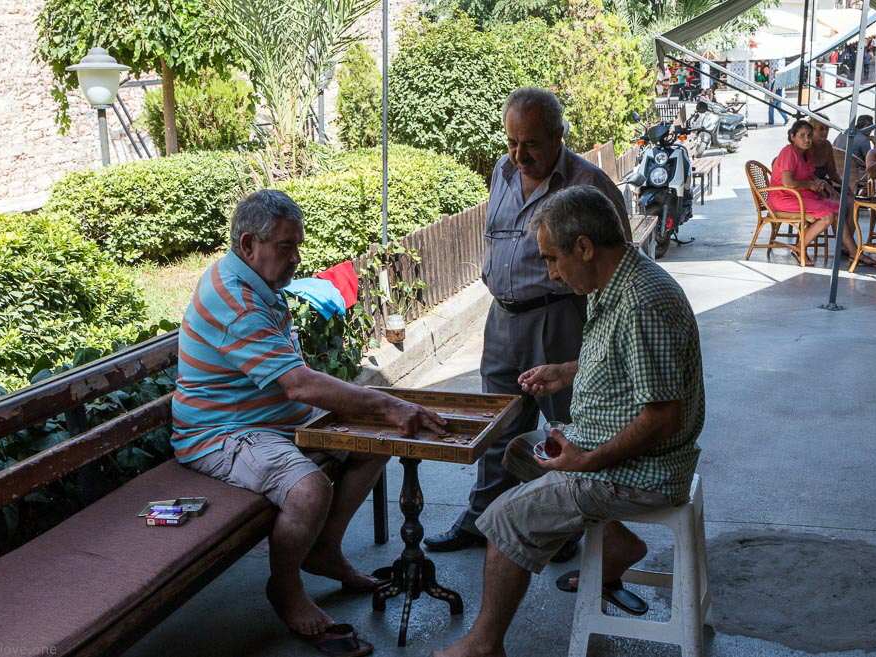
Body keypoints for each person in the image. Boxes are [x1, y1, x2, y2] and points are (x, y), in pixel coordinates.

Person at [430, 185, 705, 657]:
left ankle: (483, 644)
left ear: (584, 246)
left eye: (553, 259)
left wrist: (587, 460)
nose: (551, 272)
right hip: (610, 446)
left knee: (502, 520)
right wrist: (565, 371)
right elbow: (624, 360)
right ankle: (616, 543)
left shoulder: (642, 303)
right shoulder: (611, 282)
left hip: (646, 470)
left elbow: (662, 417)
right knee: (522, 451)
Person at [172, 189, 447, 653]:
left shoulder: (257, 284)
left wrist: (377, 411)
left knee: (372, 442)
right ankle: (285, 587)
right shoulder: (235, 302)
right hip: (220, 433)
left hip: (271, 421)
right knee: (308, 488)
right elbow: (298, 384)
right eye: (285, 248)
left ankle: (323, 550)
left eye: (297, 246)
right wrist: (388, 405)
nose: (297, 259)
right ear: (248, 245)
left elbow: (292, 384)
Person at [423, 87, 631, 555]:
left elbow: (618, 265)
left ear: (558, 136)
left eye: (531, 144)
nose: (519, 155)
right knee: (497, 426)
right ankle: (482, 518)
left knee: (570, 431)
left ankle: (572, 532)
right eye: (512, 142)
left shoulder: (589, 185)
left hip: (560, 320)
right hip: (502, 319)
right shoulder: (502, 171)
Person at [769, 120, 872, 267]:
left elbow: (809, 174)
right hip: (784, 197)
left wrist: (821, 184)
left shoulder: (805, 154)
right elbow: (788, 183)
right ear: (792, 136)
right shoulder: (788, 153)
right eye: (802, 136)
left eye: (809, 136)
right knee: (827, 215)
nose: (807, 139)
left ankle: (853, 252)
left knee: (837, 210)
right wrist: (811, 185)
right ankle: (799, 248)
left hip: (800, 195)